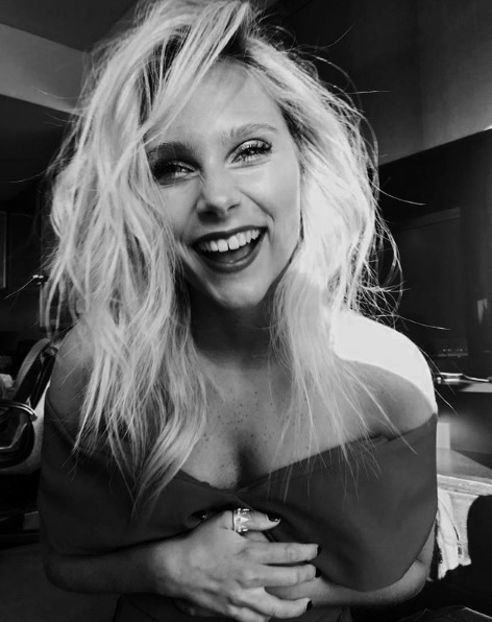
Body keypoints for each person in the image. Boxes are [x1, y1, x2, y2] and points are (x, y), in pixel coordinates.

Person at [38, 1, 438, 621]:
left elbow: (413, 571)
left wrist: (262, 587)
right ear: (137, 200)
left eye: (249, 149)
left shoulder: (389, 377)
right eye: (172, 167)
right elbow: (62, 560)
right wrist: (168, 569)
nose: (219, 198)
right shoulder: (95, 367)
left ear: (303, 161)